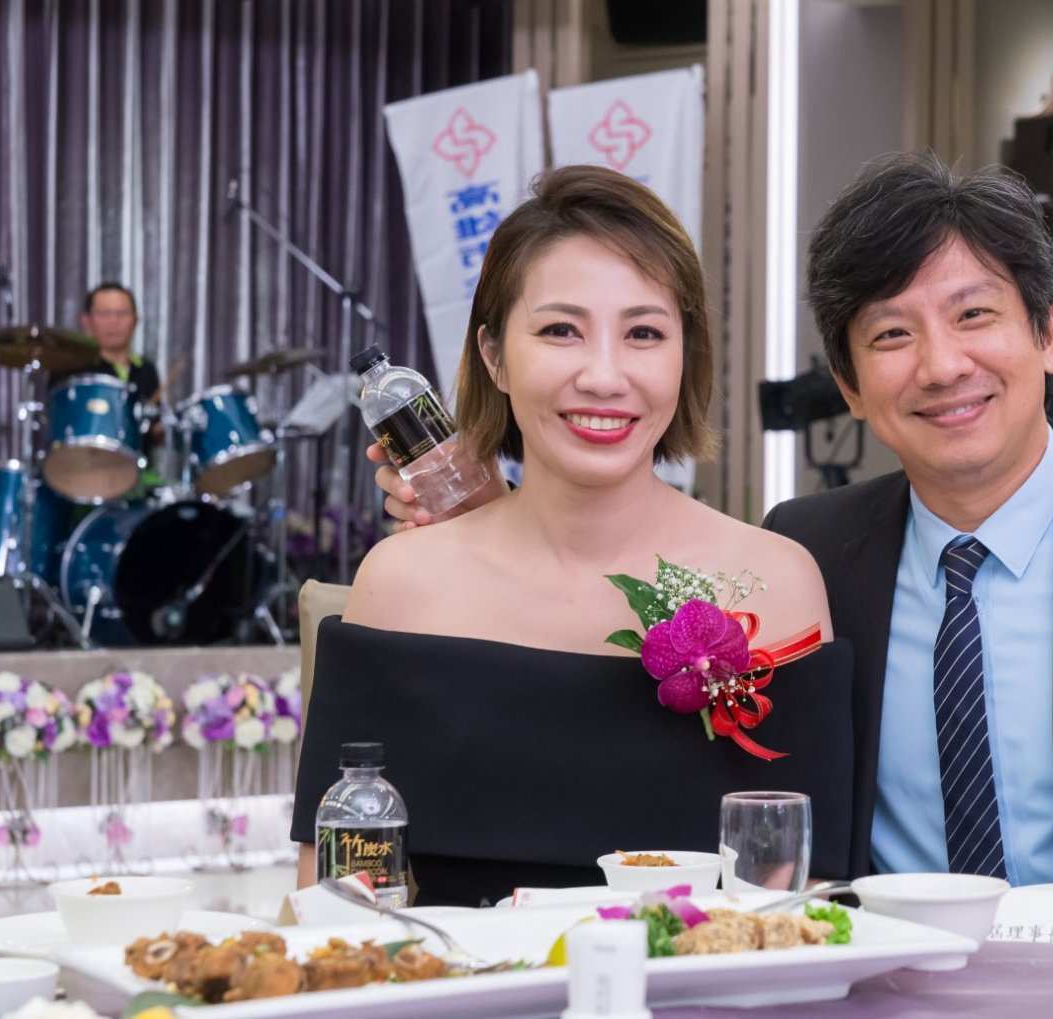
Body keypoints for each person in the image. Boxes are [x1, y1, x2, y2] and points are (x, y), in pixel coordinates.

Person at [374, 153, 1053, 930]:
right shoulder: (799, 559)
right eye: (891, 333)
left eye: (974, 316)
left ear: (1047, 332)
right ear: (848, 383)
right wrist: (482, 534)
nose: (941, 365)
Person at [293, 166, 852, 906]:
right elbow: (334, 905)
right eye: (561, 330)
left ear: (686, 357)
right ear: (493, 356)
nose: (604, 376)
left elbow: (806, 902)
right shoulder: (403, 585)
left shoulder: (777, 583)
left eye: (644, 333)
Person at [56, 282, 162, 402]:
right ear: (86, 321)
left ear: (135, 320)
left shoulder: (147, 370)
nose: (114, 321)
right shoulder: (69, 370)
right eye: (104, 313)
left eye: (122, 313)